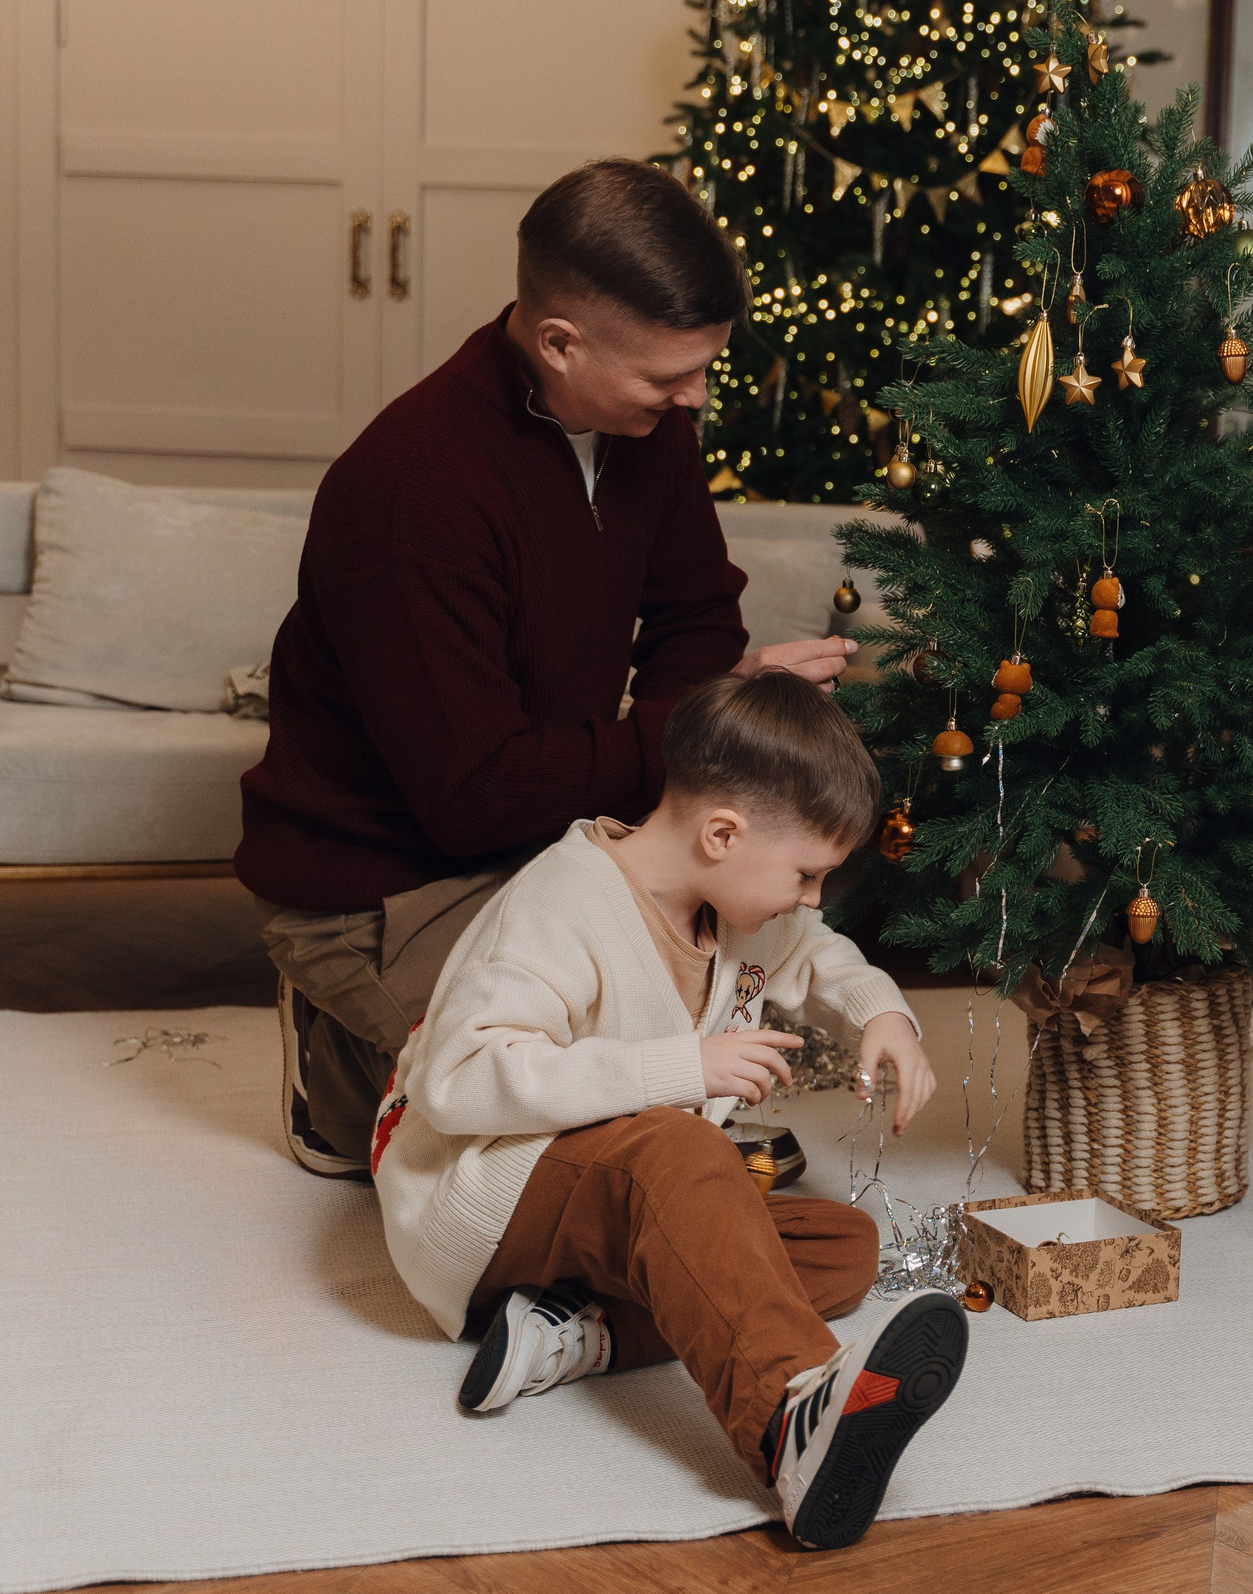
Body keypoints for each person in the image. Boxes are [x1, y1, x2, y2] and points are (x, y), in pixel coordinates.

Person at [239, 158, 856, 1178]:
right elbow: (471, 799)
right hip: (382, 885)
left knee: (737, 896)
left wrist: (720, 733)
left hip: (538, 827)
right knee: (586, 1113)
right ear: (560, 343)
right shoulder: (412, 491)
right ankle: (341, 1056)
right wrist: (683, 733)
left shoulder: (646, 428)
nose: (697, 395)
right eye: (669, 375)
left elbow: (695, 613)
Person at [374, 669, 959, 1551]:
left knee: (845, 1250)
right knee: (687, 1157)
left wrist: (884, 1013)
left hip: (604, 1193)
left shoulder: (740, 907)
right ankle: (790, 1419)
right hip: (482, 1194)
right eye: (806, 873)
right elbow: (458, 1079)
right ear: (722, 833)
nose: (810, 898)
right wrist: (682, 1065)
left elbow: (822, 952)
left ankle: (577, 1335)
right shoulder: (560, 902)